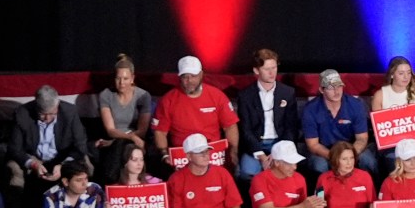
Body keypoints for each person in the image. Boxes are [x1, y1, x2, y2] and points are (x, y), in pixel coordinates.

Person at [233, 48, 303, 178]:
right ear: (256, 70)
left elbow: (291, 127)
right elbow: (245, 129)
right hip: (256, 145)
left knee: (283, 172)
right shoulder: (246, 96)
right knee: (247, 173)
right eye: (267, 69)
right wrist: (261, 155)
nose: (272, 73)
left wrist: (278, 152)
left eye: (274, 68)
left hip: (280, 142)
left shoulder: (287, 93)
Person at [155, 56, 239, 162]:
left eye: (193, 76)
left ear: (201, 75)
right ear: (179, 77)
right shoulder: (168, 100)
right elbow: (160, 132)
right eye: (185, 77)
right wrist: (164, 155)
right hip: (182, 155)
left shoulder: (217, 96)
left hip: (212, 153)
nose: (189, 81)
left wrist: (233, 151)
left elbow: (230, 126)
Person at [301, 69, 376, 175]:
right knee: (319, 165)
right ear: (322, 90)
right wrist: (335, 156)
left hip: (351, 147)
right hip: (325, 149)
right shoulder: (310, 109)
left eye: (339, 86)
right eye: (331, 88)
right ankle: (319, 191)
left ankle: (373, 190)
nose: (336, 91)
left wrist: (349, 156)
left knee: (368, 161)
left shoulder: (356, 105)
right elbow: (313, 145)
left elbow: (362, 138)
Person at [369, 57, 415, 175]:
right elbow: (379, 129)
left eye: (408, 73)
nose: (406, 77)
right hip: (393, 144)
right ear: (392, 75)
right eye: (401, 73)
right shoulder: (380, 95)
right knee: (394, 166)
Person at [9, 85, 77, 197]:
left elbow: (80, 145)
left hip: (61, 157)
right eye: (42, 114)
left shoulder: (70, 112)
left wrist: (63, 165)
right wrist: (33, 164)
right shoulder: (22, 113)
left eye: (52, 114)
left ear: (57, 106)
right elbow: (14, 149)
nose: (47, 119)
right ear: (36, 107)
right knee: (14, 170)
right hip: (33, 157)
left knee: (86, 165)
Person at [95, 54, 156, 177]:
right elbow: (111, 130)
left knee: (125, 148)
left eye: (126, 78)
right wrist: (131, 137)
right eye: (118, 78)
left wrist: (123, 140)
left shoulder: (143, 96)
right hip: (117, 140)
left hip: (135, 141)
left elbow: (142, 131)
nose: (121, 83)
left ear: (132, 78)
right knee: (119, 147)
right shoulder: (105, 95)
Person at [316, 140, 377, 208]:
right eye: (344, 159)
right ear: (335, 160)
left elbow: (373, 207)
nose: (349, 163)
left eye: (351, 158)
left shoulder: (365, 177)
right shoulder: (323, 179)